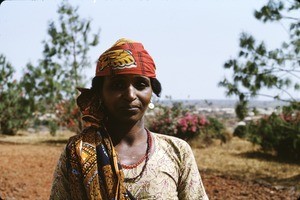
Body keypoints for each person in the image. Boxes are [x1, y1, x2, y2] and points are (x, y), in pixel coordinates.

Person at [50, 38, 209, 200]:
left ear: (152, 91)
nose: (130, 95)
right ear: (100, 94)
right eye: (118, 85)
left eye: (140, 85)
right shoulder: (78, 153)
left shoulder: (177, 151)